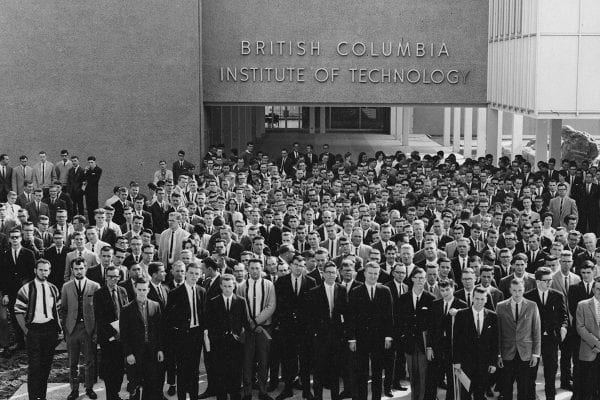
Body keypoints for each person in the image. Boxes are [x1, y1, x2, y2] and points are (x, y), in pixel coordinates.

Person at [13, 259, 61, 400]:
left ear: (50, 271)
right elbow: (18, 311)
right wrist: (26, 331)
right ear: (35, 270)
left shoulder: (53, 288)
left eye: (46, 270)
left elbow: (57, 311)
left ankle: (42, 396)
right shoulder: (26, 288)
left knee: (46, 367)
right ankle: (33, 397)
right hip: (33, 330)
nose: (43, 272)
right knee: (34, 367)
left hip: (50, 330)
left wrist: (58, 330)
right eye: (40, 269)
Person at [346, 262, 394, 400]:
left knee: (377, 372)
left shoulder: (385, 291)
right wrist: (352, 338)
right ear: (365, 274)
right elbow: (351, 317)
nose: (373, 276)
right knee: (362, 371)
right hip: (361, 338)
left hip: (379, 338)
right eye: (370, 273)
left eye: (375, 273)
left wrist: (388, 336)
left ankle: (376, 397)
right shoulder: (356, 291)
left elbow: (389, 316)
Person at [274, 254, 316, 400]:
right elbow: (278, 305)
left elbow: (313, 308)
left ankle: (306, 390)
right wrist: (280, 324)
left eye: (301, 265)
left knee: (305, 360)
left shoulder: (311, 281)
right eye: (296, 265)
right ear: (290, 266)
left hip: (305, 330)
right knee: (287, 360)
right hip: (287, 329)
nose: (299, 268)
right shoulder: (281, 281)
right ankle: (288, 389)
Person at [164, 262, 206, 400]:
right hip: (182, 336)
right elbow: (169, 318)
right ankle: (182, 397)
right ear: (186, 273)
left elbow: (203, 313)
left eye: (197, 274)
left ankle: (193, 396)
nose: (194, 276)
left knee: (194, 370)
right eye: (191, 273)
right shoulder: (175, 293)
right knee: (182, 370)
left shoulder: (201, 291)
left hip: (196, 334)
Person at [524, 267, 568, 400]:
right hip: (533, 341)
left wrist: (563, 329)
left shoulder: (557, 295)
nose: (549, 283)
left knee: (550, 374)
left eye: (551, 280)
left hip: (551, 340)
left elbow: (564, 317)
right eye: (546, 280)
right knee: (531, 374)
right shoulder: (528, 296)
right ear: (538, 281)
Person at [60, 257, 101, 400]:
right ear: (72, 270)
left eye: (81, 268)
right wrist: (66, 328)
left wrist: (95, 330)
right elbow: (63, 309)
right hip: (72, 328)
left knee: (90, 361)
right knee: (73, 362)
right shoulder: (66, 286)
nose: (78, 271)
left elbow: (98, 311)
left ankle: (89, 388)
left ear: (85, 268)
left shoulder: (94, 286)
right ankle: (74, 389)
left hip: (88, 328)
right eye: (76, 269)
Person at [236, 258, 276, 400]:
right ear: (248, 269)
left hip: (264, 328)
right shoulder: (242, 286)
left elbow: (271, 306)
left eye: (257, 268)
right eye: (252, 268)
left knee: (264, 361)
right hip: (248, 330)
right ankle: (247, 392)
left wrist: (257, 322)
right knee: (247, 361)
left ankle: (263, 391)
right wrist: (250, 324)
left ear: (262, 268)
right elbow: (240, 307)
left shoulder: (269, 285)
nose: (254, 271)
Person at [496, 279, 541, 400]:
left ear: (524, 290)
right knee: (506, 388)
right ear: (510, 290)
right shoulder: (500, 307)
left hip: (525, 353)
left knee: (524, 388)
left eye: (520, 290)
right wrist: (498, 354)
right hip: (507, 353)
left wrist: (535, 354)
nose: (517, 293)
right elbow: (498, 333)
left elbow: (536, 331)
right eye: (514, 290)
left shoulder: (532, 305)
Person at [306, 261, 345, 400]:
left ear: (337, 274)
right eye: (328, 272)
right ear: (323, 274)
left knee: (335, 370)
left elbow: (345, 313)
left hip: (336, 336)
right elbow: (310, 317)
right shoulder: (314, 292)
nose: (331, 275)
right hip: (320, 337)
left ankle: (335, 396)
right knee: (318, 371)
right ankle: (318, 397)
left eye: (333, 272)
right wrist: (315, 334)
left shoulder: (342, 289)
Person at [121, 277, 164, 400]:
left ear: (148, 290)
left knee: (150, 385)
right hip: (135, 353)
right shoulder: (127, 309)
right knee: (134, 385)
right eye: (139, 289)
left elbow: (159, 331)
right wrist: (128, 353)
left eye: (144, 289)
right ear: (135, 289)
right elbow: (124, 335)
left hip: (151, 352)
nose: (141, 292)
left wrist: (160, 349)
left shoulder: (155, 306)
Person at [206, 274, 248, 400]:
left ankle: (235, 396)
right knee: (220, 373)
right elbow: (210, 323)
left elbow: (244, 322)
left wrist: (240, 337)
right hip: (219, 344)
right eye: (225, 286)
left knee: (235, 373)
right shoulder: (214, 301)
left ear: (234, 286)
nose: (227, 289)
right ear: (220, 286)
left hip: (236, 344)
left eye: (230, 286)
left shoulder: (241, 301)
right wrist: (215, 338)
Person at [452, 287, 498, 400]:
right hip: (465, 362)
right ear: (472, 298)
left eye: (482, 299)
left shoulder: (492, 316)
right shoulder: (461, 315)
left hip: (483, 363)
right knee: (465, 393)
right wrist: (456, 362)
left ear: (486, 300)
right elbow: (456, 340)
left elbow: (495, 341)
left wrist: (493, 362)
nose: (479, 302)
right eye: (477, 299)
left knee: (480, 394)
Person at [397, 267, 435, 400]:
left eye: (422, 278)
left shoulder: (430, 298)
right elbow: (399, 320)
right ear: (412, 278)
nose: (420, 280)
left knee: (424, 376)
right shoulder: (403, 298)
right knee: (412, 376)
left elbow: (432, 325)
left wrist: (430, 346)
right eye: (417, 277)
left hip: (423, 344)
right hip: (409, 343)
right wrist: (402, 337)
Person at [427, 279, 466, 400]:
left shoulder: (462, 305)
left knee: (451, 379)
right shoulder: (435, 304)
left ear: (453, 288)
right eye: (442, 290)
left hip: (452, 349)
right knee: (432, 377)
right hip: (437, 347)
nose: (445, 293)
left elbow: (464, 331)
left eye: (447, 289)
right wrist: (429, 347)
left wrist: (458, 313)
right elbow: (431, 328)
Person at [94, 265, 129, 400]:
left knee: (120, 368)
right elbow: (100, 317)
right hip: (108, 337)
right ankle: (111, 396)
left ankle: (116, 393)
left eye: (115, 277)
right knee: (110, 368)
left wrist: (123, 331)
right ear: (105, 277)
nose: (113, 279)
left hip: (122, 336)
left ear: (119, 277)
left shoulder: (123, 291)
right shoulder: (99, 293)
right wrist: (113, 333)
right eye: (110, 277)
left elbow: (126, 311)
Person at [575, 276, 600, 400]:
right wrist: (596, 344)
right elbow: (580, 327)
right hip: (589, 350)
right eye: (598, 289)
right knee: (587, 387)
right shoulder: (582, 305)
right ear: (593, 289)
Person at [83, 156, 102, 223]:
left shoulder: (98, 170)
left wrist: (88, 175)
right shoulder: (87, 170)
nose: (90, 164)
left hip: (94, 192)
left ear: (95, 162)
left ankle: (96, 222)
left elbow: (94, 181)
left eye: (92, 162)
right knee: (89, 208)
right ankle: (91, 223)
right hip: (87, 192)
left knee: (95, 208)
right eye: (89, 163)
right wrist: (85, 172)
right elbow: (84, 179)